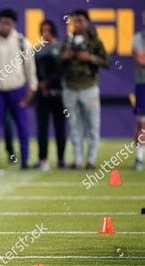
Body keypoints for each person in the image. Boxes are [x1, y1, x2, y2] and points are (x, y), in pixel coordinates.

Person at [0, 8, 38, 169]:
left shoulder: (22, 41)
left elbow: (29, 67)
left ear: (13, 24)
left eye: (8, 23)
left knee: (22, 127)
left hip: (18, 90)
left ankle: (25, 160)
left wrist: (31, 88)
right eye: (2, 22)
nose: (5, 26)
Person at [60, 9, 110, 170]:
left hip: (89, 87)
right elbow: (57, 62)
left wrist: (90, 58)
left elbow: (106, 61)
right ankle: (78, 160)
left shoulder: (94, 40)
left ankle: (91, 160)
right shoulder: (68, 40)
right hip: (70, 87)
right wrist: (64, 57)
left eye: (80, 20)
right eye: (75, 21)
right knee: (74, 126)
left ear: (86, 22)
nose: (78, 24)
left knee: (93, 126)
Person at [34, 20, 66, 171]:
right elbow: (34, 71)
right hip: (42, 94)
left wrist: (48, 83)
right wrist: (40, 85)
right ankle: (43, 159)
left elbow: (61, 71)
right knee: (42, 128)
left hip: (58, 93)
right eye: (42, 30)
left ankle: (61, 159)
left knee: (60, 127)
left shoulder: (60, 49)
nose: (45, 33)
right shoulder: (37, 50)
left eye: (48, 30)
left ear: (53, 31)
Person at [132, 26, 145, 171]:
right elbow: (140, 59)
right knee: (142, 123)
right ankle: (139, 158)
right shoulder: (139, 37)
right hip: (143, 84)